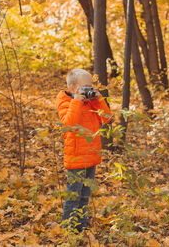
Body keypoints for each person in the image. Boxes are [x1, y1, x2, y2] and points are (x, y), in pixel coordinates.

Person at [56, 68, 112, 233]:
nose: (89, 89)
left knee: (85, 195)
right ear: (73, 88)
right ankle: (68, 229)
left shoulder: (92, 102)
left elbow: (107, 119)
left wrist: (98, 98)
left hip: (91, 156)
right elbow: (68, 125)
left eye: (91, 86)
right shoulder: (65, 101)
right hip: (76, 158)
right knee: (74, 196)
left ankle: (80, 226)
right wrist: (77, 101)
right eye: (85, 87)